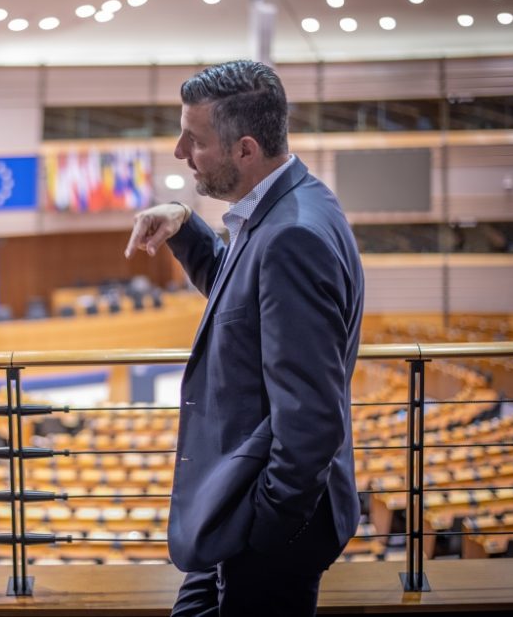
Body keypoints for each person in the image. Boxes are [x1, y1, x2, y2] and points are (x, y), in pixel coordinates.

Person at [124, 60, 364, 616]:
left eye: (196, 139)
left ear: (246, 150)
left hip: (269, 524)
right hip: (244, 508)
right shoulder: (290, 204)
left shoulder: (292, 237)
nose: (181, 152)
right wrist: (186, 225)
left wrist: (266, 527)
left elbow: (311, 421)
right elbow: (246, 304)